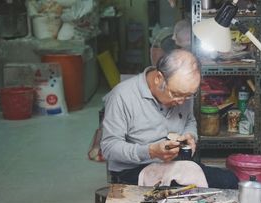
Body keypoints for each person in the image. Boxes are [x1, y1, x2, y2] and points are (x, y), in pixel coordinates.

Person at [101, 49, 239, 190]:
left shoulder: (184, 93)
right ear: (158, 79)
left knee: (230, 180)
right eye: (176, 94)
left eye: (189, 96)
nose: (181, 102)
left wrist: (190, 136)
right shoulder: (122, 96)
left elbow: (189, 120)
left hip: (175, 165)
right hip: (133, 170)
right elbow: (108, 148)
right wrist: (150, 151)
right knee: (185, 193)